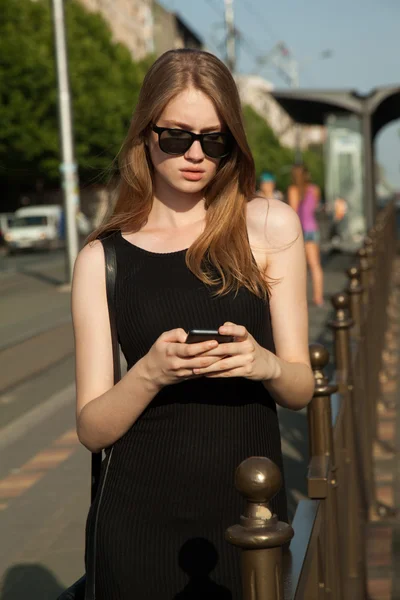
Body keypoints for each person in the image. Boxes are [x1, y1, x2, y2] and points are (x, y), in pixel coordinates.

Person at [72, 49, 314, 600]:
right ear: (146, 134)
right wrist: (150, 374)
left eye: (214, 138)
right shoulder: (102, 259)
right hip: (136, 522)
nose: (196, 154)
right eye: (177, 137)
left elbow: (300, 388)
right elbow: (92, 428)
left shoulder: (269, 226)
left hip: (247, 519)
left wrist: (266, 363)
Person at [288, 165, 324, 307]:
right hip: (313, 228)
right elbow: (313, 209)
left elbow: (293, 211)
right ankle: (318, 297)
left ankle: (299, 297)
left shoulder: (293, 190)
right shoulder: (314, 190)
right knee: (315, 265)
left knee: (299, 265)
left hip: (300, 230)